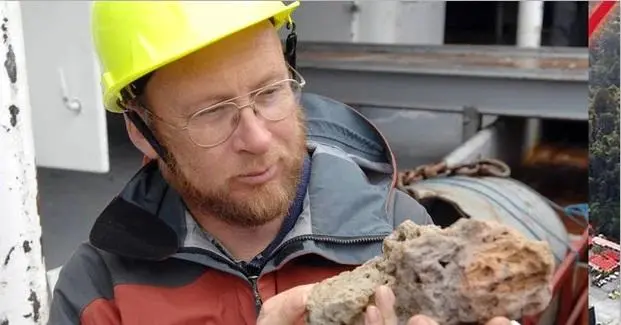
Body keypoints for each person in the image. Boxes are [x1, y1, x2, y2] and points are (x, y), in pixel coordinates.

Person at [48, 2, 512, 325]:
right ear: (141, 131)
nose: (256, 137)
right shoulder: (100, 291)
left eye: (270, 92)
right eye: (211, 113)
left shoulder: (399, 231)